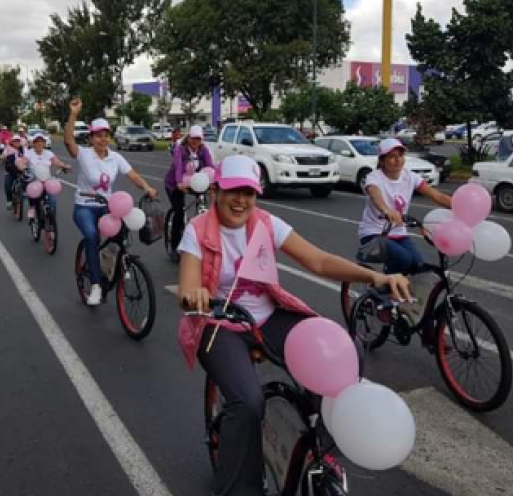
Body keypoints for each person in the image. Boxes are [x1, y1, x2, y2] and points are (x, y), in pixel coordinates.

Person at [177, 154, 412, 496]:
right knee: (247, 403)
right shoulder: (197, 230)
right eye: (233, 191)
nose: (241, 200)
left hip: (269, 316)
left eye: (249, 192)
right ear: (216, 191)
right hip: (220, 324)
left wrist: (375, 276)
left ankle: (323, 450)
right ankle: (236, 488)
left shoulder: (266, 223)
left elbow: (318, 260)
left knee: (342, 356)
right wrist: (194, 295)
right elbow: (186, 287)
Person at [64, 97, 158, 306]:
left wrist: (147, 187)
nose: (103, 139)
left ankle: (116, 265)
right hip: (85, 207)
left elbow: (132, 175)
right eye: (98, 136)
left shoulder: (115, 157)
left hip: (108, 207)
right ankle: (95, 285)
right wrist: (73, 115)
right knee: (91, 236)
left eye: (106, 135)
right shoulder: (84, 155)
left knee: (122, 235)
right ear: (91, 138)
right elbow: (69, 141)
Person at [359, 138, 452, 275]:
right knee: (404, 259)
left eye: (400, 155)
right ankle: (385, 283)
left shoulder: (411, 177)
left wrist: (461, 207)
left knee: (417, 264)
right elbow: (375, 194)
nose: (398, 160)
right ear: (382, 161)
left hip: (398, 233)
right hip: (375, 233)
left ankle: (397, 288)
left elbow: (437, 196)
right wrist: (386, 210)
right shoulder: (374, 177)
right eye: (392, 156)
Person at [164, 125, 214, 253]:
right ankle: (174, 245)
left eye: (198, 139)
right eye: (193, 138)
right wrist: (179, 183)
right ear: (188, 137)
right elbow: (178, 167)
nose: (195, 141)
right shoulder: (180, 149)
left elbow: (210, 166)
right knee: (179, 213)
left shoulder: (203, 149)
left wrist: (214, 182)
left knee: (204, 206)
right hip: (175, 183)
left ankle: (199, 232)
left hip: (195, 181)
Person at [26, 132, 70, 216]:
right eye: (37, 141)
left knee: (52, 200)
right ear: (33, 143)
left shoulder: (48, 153)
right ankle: (32, 208)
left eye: (41, 141)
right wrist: (21, 166)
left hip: (47, 181)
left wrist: (64, 166)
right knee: (32, 193)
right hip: (34, 181)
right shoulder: (29, 153)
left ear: (44, 143)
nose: (39, 143)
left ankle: (51, 220)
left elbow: (56, 162)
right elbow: (23, 161)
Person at [1, 135, 26, 208]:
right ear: (12, 142)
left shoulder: (23, 149)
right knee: (7, 186)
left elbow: (28, 157)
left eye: (18, 141)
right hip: (10, 171)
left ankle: (22, 194)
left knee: (27, 181)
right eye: (15, 141)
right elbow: (3, 156)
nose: (17, 143)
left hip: (21, 170)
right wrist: (3, 158)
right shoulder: (8, 149)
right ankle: (9, 201)